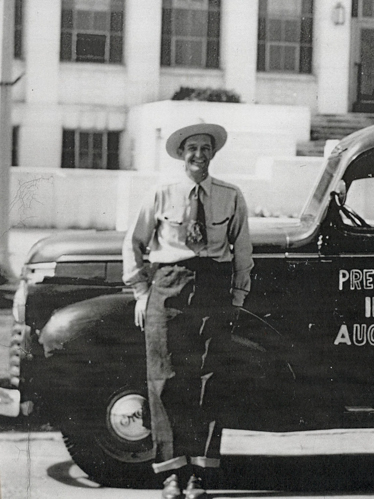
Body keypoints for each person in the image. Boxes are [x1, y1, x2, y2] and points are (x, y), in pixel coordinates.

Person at [123, 123, 253, 499]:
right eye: (192, 148)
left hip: (214, 289)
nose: (199, 155)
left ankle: (201, 474)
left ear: (213, 153)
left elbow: (242, 251)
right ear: (181, 154)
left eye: (205, 148)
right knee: (164, 379)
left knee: (210, 380)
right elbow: (134, 242)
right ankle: (170, 474)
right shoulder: (161, 194)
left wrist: (238, 298)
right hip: (168, 287)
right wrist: (141, 292)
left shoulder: (230, 196)